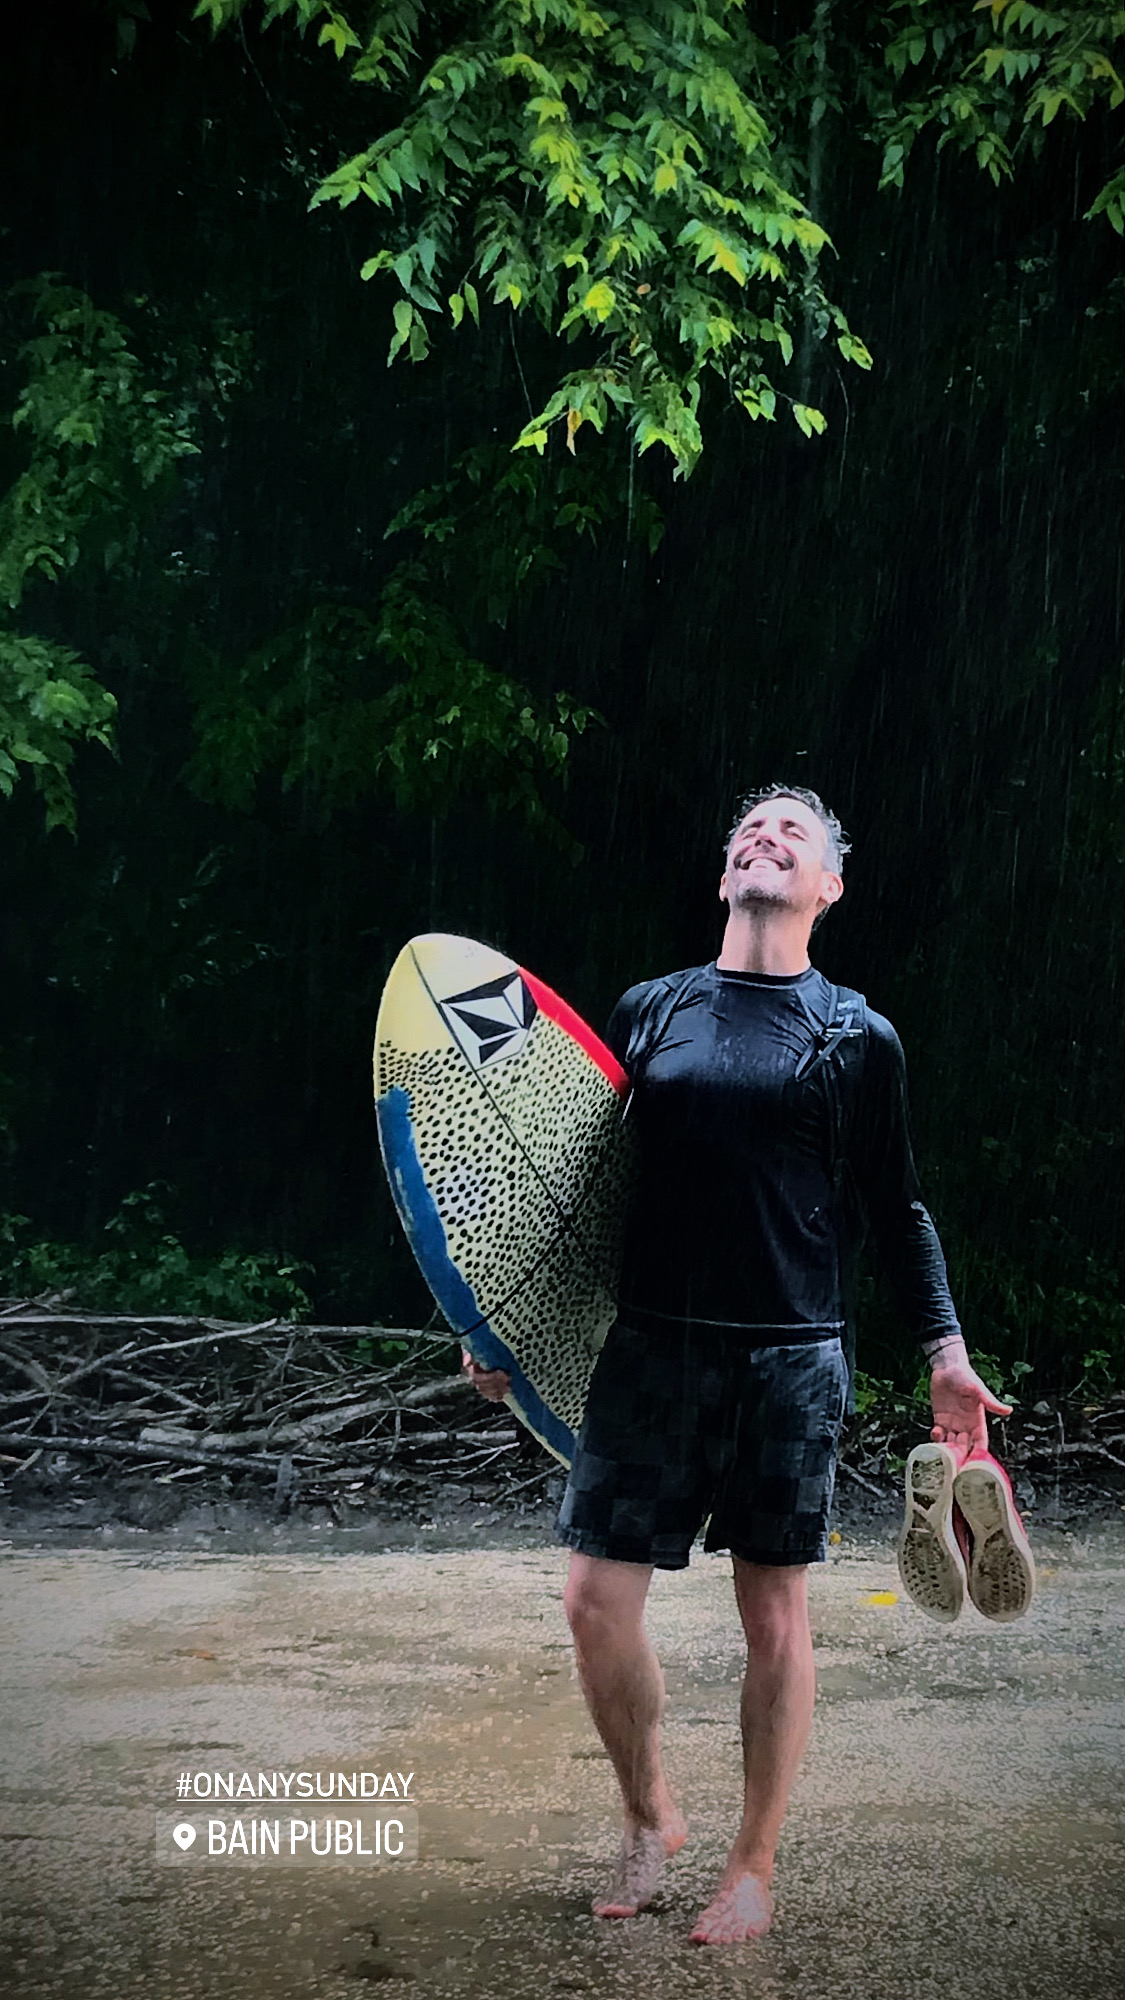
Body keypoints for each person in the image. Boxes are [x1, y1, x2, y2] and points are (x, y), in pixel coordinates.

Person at [464, 785, 1007, 1945]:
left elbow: (896, 1208)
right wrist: (502, 1323)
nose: (765, 838)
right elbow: (582, 1199)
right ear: (725, 877)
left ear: (830, 887)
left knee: (775, 1615)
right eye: (748, 831)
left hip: (790, 1358)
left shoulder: (858, 1035)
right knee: (591, 1599)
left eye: (792, 834)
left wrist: (947, 1354)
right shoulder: (652, 1011)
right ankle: (651, 1812)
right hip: (650, 1346)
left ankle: (751, 1864)